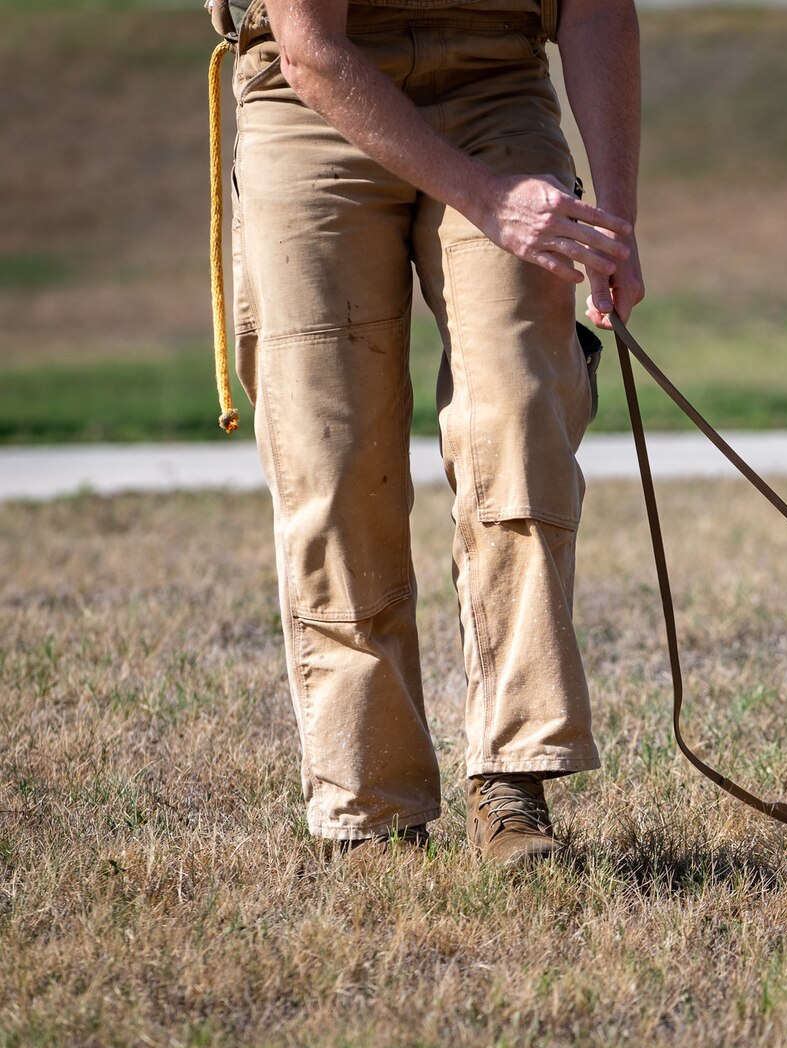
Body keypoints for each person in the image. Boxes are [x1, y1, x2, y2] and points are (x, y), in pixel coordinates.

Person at [224, 0, 643, 864]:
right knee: (332, 462)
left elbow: (599, 8)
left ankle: (512, 778)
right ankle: (370, 803)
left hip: (497, 83)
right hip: (315, 99)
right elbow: (312, 48)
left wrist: (614, 223)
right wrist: (488, 200)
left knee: (521, 418)